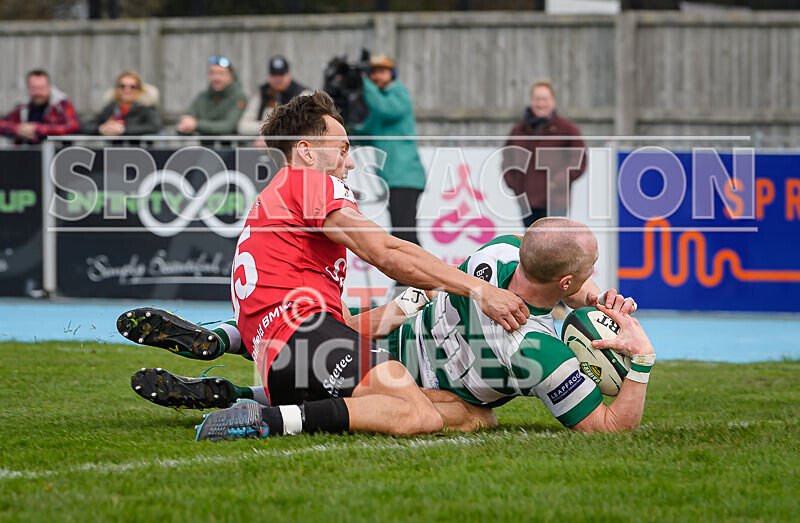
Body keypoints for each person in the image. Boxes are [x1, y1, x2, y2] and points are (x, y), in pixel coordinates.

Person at [122, 91, 529, 441]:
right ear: (306, 150)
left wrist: (410, 303)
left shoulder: (272, 203)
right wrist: (480, 289)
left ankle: (245, 392)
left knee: (469, 414)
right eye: (343, 148)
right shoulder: (309, 182)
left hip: (282, 359)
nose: (349, 163)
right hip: (302, 342)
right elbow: (385, 252)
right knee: (417, 414)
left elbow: (344, 326)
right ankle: (267, 418)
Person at [120, 219, 652, 437]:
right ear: (563, 281)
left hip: (391, 327)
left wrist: (589, 295)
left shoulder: (499, 253)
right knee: (473, 416)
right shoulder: (539, 353)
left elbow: (543, 263)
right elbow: (610, 429)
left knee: (318, 336)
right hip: (403, 376)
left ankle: (227, 341)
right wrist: (642, 360)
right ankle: (249, 403)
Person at [351, 54, 426, 245]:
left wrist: (364, 83)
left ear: (392, 74)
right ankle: (413, 274)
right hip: (393, 179)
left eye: (381, 72)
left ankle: (416, 273)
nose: (376, 76)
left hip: (404, 178)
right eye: (373, 73)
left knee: (404, 235)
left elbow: (386, 108)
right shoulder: (379, 102)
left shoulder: (398, 94)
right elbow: (364, 131)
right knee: (403, 233)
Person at [503, 78, 587, 228]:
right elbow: (507, 159)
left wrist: (559, 180)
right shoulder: (518, 130)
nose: (540, 103)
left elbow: (579, 159)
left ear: (552, 101)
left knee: (554, 245)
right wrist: (515, 184)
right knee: (531, 245)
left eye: (544, 99)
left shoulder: (566, 129)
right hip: (527, 201)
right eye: (537, 99)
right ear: (531, 101)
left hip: (555, 200)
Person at [237, 55, 311, 143]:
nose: (278, 79)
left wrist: (270, 132)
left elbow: (307, 125)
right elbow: (242, 126)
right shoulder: (261, 94)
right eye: (274, 75)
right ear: (269, 76)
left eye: (281, 75)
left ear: (289, 75)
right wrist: (266, 130)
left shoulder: (303, 94)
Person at [0, 69, 80, 144]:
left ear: (49, 87)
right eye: (34, 88)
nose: (38, 93)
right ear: (28, 89)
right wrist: (17, 129)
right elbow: (2, 124)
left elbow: (73, 127)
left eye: (41, 88)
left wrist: (37, 129)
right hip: (25, 154)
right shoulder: (22, 107)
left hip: (55, 154)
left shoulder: (61, 105)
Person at [175, 56, 247, 136]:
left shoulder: (239, 97)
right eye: (212, 73)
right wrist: (184, 126)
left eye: (221, 73)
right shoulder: (203, 97)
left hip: (231, 146)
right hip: (206, 147)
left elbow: (229, 126)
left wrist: (196, 125)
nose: (216, 77)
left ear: (230, 76)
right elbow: (185, 118)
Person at [81, 70, 161, 136]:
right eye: (122, 86)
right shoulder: (110, 108)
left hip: (140, 152)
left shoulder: (146, 108)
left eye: (132, 87)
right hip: (112, 152)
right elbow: (87, 126)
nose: (127, 90)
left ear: (139, 90)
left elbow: (154, 127)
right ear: (117, 89)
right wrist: (102, 128)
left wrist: (123, 129)